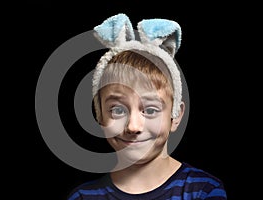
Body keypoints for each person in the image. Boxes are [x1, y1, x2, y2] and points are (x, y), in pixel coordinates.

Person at [67, 13, 227, 200]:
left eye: (150, 110)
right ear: (100, 116)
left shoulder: (204, 191)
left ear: (175, 116)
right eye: (118, 110)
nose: (133, 127)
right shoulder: (83, 197)